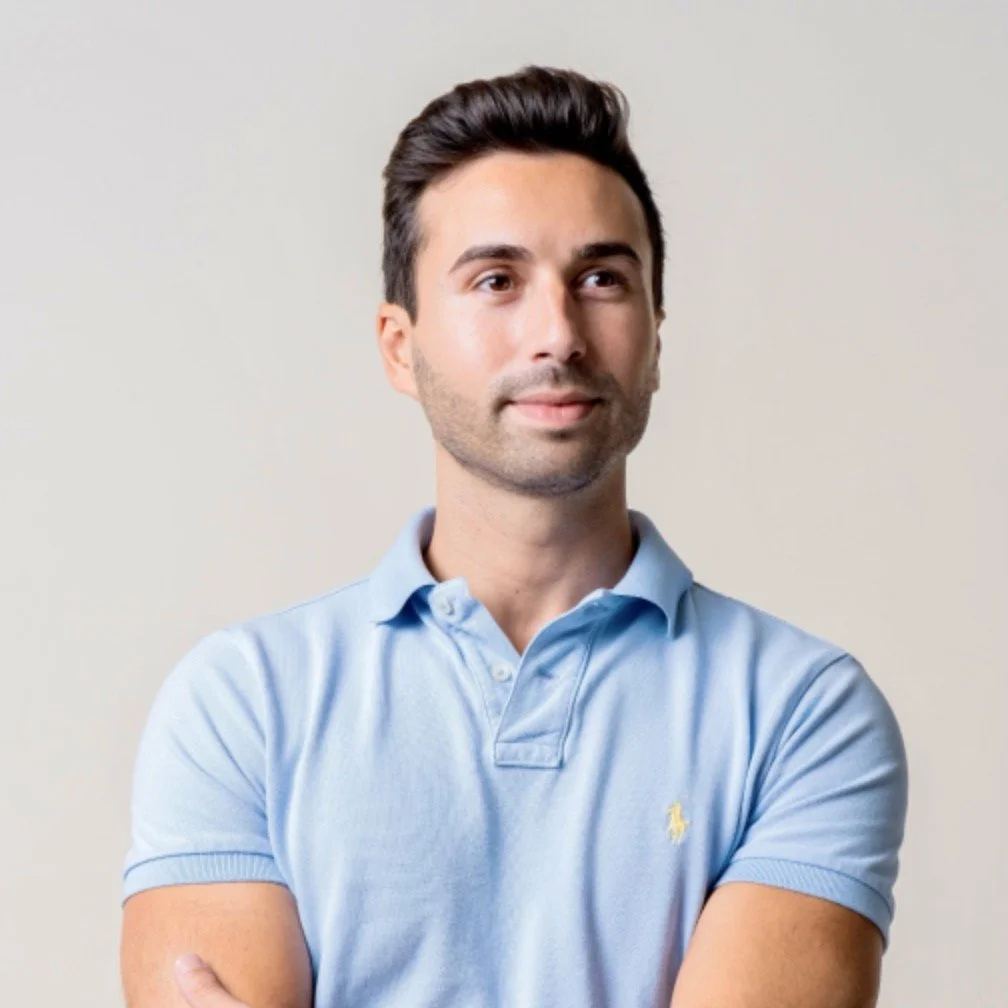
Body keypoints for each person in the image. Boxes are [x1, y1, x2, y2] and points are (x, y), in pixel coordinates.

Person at [120, 65, 908, 1008]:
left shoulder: (801, 714)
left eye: (602, 278)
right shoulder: (241, 705)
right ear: (399, 347)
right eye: (496, 279)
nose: (557, 332)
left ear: (655, 332)